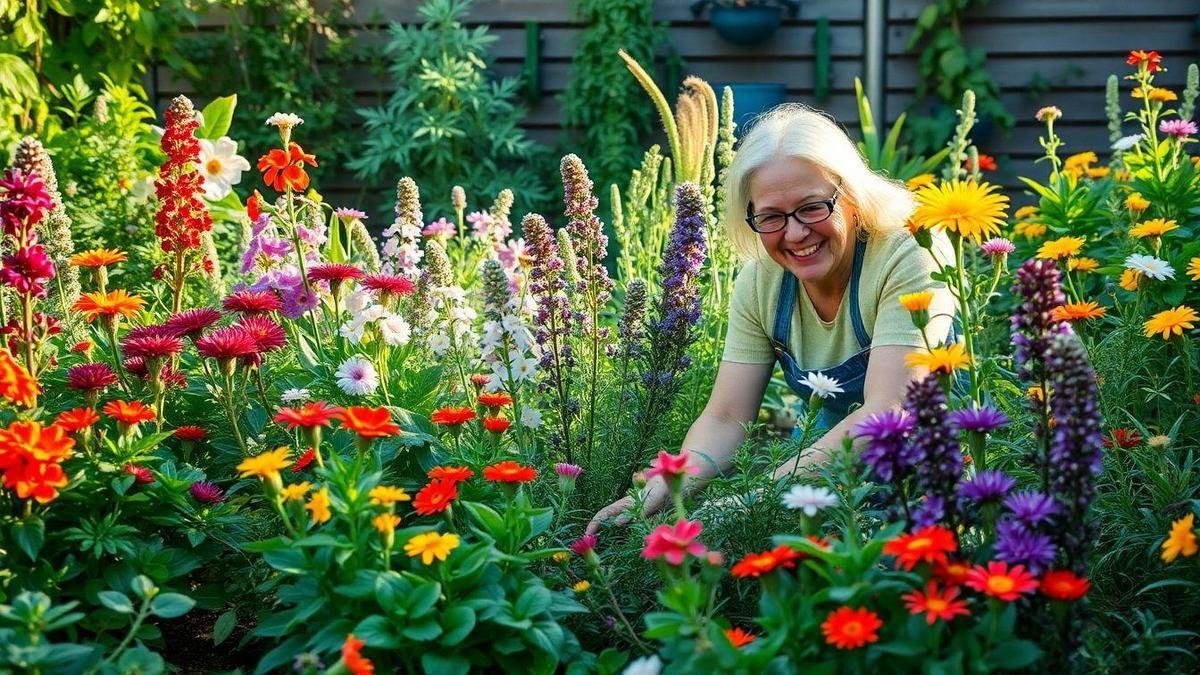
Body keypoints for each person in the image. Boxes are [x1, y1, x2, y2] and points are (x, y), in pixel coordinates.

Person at [586, 104, 956, 534]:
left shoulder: (910, 253)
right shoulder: (761, 283)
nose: (795, 233)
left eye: (813, 207)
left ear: (850, 195)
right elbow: (726, 417)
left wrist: (756, 497)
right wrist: (670, 484)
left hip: (940, 469)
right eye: (771, 217)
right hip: (827, 469)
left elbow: (890, 409)